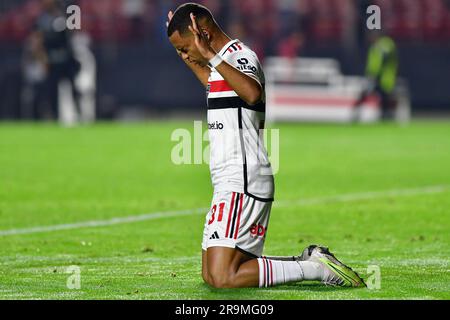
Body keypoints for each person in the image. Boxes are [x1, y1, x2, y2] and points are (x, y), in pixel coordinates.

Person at [166, 3, 365, 289]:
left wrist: (209, 54)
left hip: (244, 178)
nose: (185, 55)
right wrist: (187, 51)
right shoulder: (218, 67)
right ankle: (309, 260)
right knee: (211, 274)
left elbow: (252, 92)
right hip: (227, 180)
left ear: (204, 35)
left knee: (224, 277)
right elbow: (210, 82)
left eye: (185, 48)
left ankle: (315, 269)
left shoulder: (239, 56)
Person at [353, 31, 399, 121]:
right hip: (376, 77)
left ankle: (386, 116)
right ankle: (356, 114)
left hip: (384, 77)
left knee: (384, 98)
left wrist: (375, 74)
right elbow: (373, 63)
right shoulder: (375, 47)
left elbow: (386, 58)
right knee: (369, 95)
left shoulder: (385, 44)